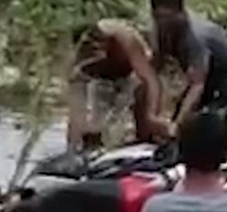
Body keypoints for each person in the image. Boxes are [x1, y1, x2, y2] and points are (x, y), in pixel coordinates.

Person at [149, 0, 227, 137]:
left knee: (207, 126)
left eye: (168, 19)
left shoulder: (196, 35)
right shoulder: (162, 29)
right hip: (209, 77)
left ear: (181, 13)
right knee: (181, 120)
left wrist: (177, 125)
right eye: (159, 19)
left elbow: (197, 85)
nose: (164, 24)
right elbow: (156, 64)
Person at [66, 19, 164, 150]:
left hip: (131, 76)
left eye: (100, 45)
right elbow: (77, 103)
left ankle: (143, 139)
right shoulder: (84, 54)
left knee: (133, 116)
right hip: (100, 79)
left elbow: (151, 81)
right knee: (88, 126)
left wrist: (152, 116)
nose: (98, 49)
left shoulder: (127, 40)